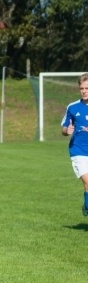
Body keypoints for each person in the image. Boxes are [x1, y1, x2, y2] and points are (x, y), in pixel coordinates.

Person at [60, 72, 88, 217]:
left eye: (87, 88)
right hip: (78, 152)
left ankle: (87, 205)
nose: (84, 91)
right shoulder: (72, 107)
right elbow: (64, 129)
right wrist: (67, 130)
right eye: (81, 88)